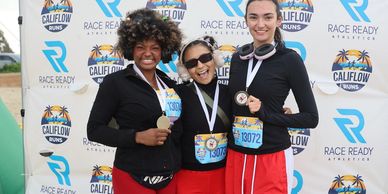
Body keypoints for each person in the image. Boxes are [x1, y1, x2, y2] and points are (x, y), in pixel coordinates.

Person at [226, 0, 319, 194]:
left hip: (272, 156)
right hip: (237, 155)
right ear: (246, 21)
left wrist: (267, 114)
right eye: (253, 17)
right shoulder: (238, 58)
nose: (260, 24)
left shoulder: (290, 59)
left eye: (268, 17)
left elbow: (311, 118)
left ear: (279, 20)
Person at [87, 8, 183, 194]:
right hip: (133, 177)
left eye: (154, 47)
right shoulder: (115, 82)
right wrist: (137, 137)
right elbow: (94, 130)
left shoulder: (169, 84)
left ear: (163, 50)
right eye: (141, 47)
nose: (148, 53)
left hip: (170, 178)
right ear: (131, 48)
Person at [174, 36, 232, 194]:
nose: (200, 66)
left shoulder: (230, 93)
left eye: (205, 58)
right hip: (187, 178)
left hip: (224, 177)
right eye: (192, 63)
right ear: (185, 70)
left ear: (215, 58)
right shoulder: (177, 94)